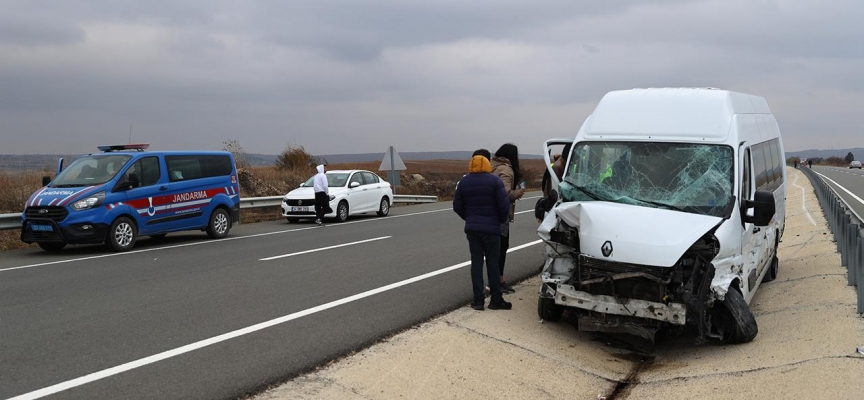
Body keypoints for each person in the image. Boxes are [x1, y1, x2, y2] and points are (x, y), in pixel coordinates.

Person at [453, 153, 512, 311]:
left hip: (473, 229)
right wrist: (498, 220)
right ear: (487, 165)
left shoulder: (464, 182)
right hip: (492, 229)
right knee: (493, 263)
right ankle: (496, 299)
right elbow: (504, 206)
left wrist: (469, 218)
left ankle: (478, 300)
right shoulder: (495, 181)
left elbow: (457, 206)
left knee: (476, 263)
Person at [490, 143, 525, 293]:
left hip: (490, 212)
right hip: (500, 213)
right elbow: (504, 193)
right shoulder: (506, 169)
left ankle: (498, 280)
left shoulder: (493, 165)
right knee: (501, 247)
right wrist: (518, 193)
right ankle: (497, 282)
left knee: (496, 248)